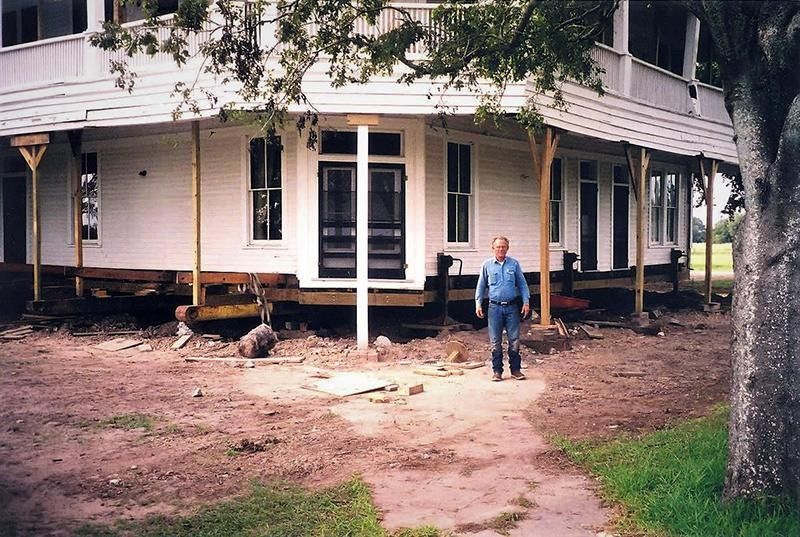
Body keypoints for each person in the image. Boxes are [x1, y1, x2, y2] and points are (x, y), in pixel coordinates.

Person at [475, 236, 531, 381]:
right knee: (495, 341)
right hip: (494, 308)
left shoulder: (514, 264)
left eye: (503, 247)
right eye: (498, 247)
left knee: (514, 340)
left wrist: (526, 302)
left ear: (507, 248)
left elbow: (523, 285)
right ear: (493, 248)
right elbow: (481, 286)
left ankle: (516, 370)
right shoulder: (487, 265)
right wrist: (478, 303)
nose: (501, 249)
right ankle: (497, 371)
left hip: (512, 308)